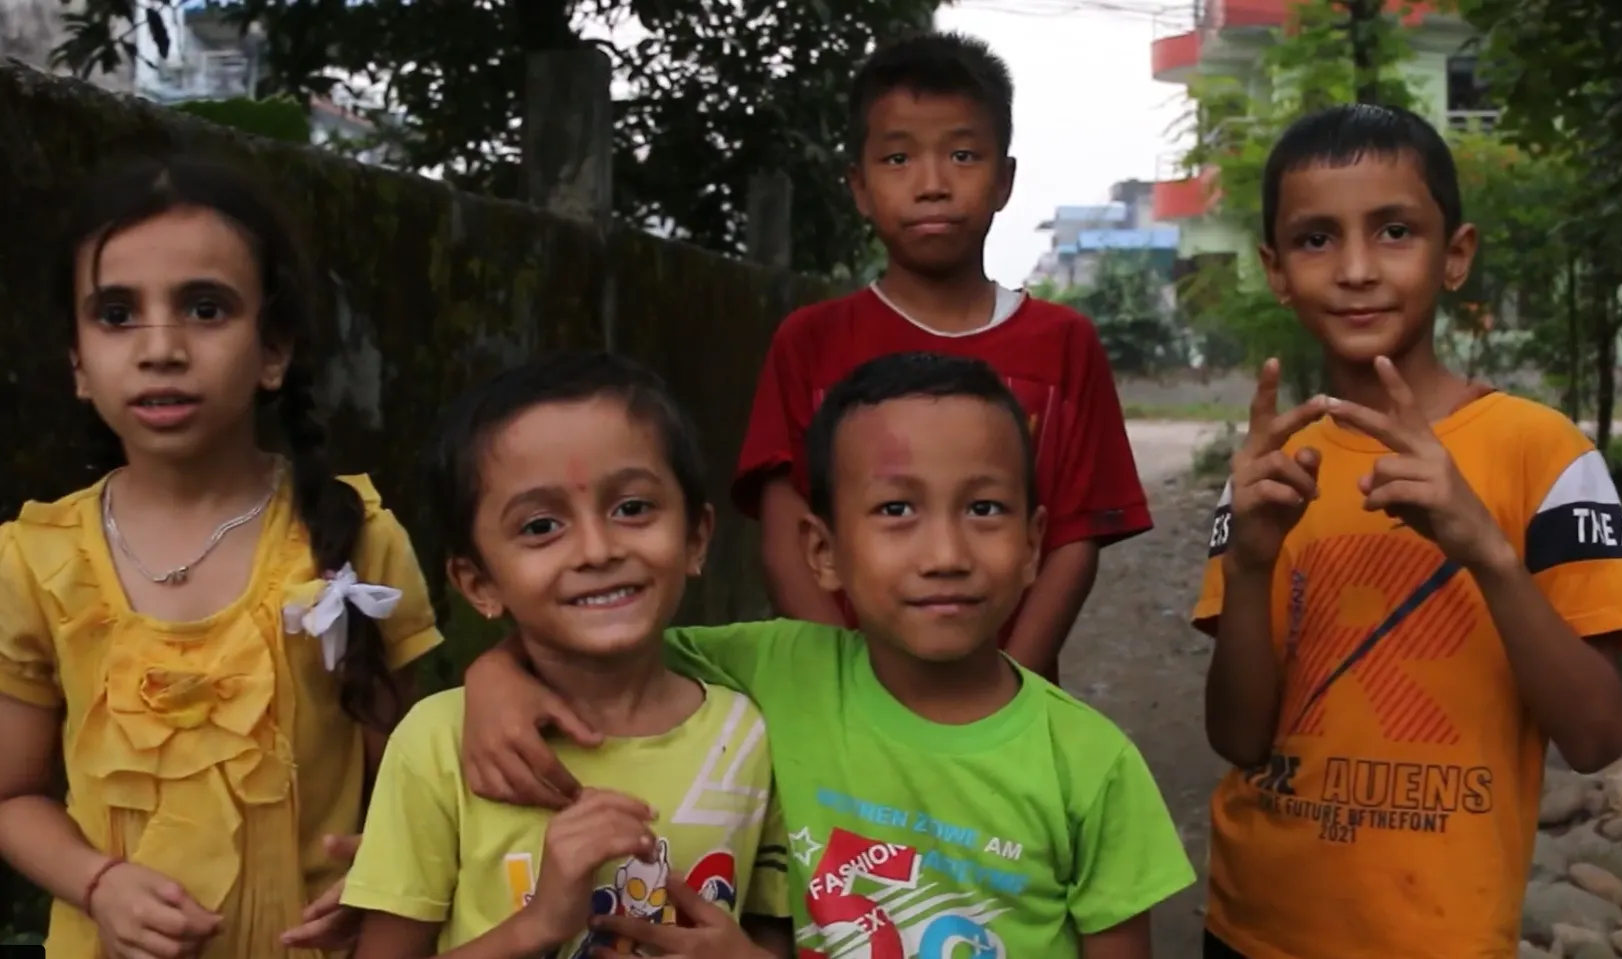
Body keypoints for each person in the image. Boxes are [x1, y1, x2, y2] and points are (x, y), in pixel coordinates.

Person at [462, 351, 1197, 958]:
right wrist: (496, 673)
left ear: (1033, 544)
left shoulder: (1090, 765)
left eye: (984, 508)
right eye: (896, 509)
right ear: (823, 552)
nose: (946, 554)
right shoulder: (780, 670)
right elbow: (603, 642)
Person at [1195, 104, 1622, 959]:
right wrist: (1251, 565)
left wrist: (1486, 551)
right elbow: (1236, 737)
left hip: (1441, 934)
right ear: (1274, 270)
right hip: (1250, 926)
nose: (1356, 269)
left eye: (1394, 231)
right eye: (1315, 239)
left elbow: (1599, 739)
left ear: (1455, 255)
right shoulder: (1269, 470)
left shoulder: (1544, 454)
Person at [0, 155, 443, 959]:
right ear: (76, 362)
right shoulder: (34, 560)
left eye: (205, 308)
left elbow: (416, 783)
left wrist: (378, 868)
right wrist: (98, 883)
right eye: (116, 314)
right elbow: (11, 795)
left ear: (273, 349)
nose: (161, 348)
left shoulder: (353, 538)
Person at [340, 353, 790, 959]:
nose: (597, 550)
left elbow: (769, 937)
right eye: (540, 526)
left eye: (632, 508)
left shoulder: (749, 738)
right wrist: (538, 925)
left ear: (696, 538)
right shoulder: (438, 745)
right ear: (479, 584)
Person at [735, 31, 1151, 683]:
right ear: (859, 186)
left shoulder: (1063, 344)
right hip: (844, 709)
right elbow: (786, 537)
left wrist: (1007, 690)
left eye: (962, 155)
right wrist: (847, 694)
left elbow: (1073, 539)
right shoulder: (809, 343)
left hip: (1010, 708)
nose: (931, 185)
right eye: (898, 158)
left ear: (1003, 180)